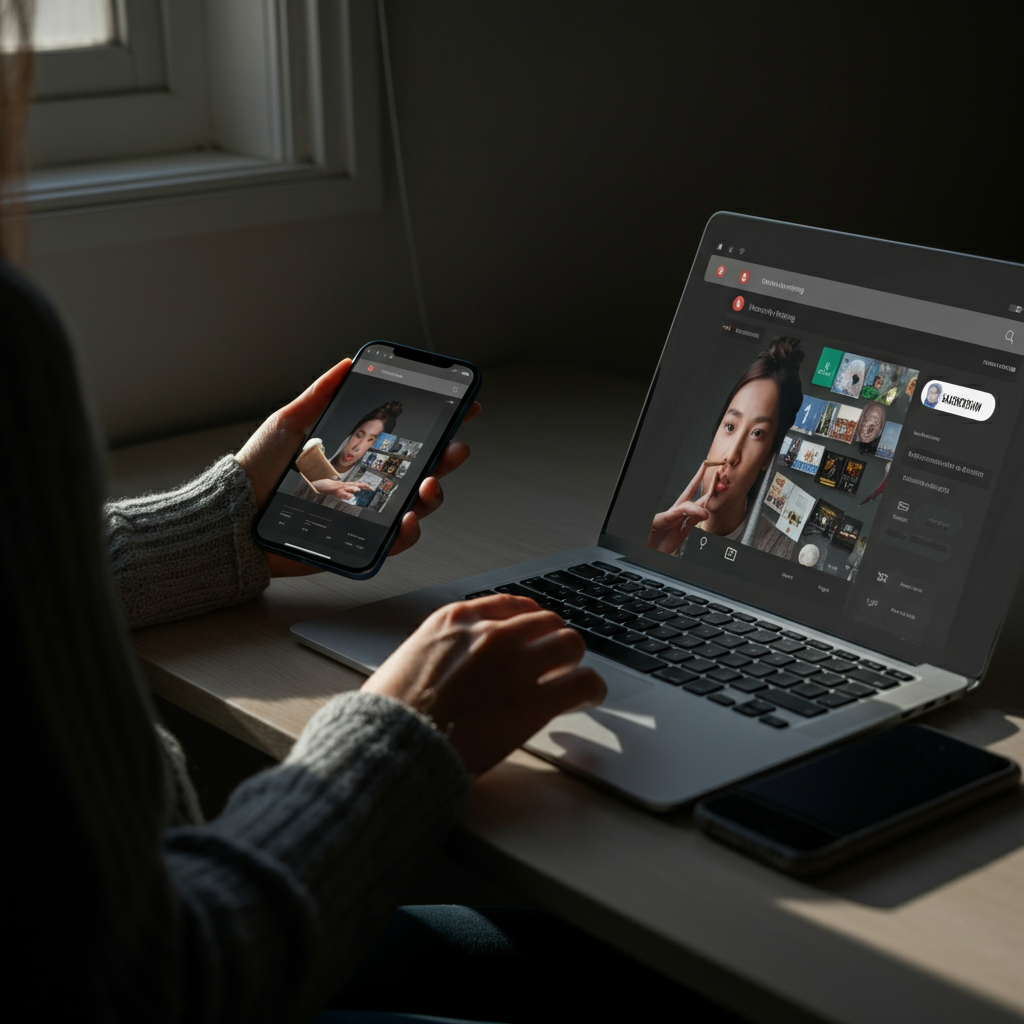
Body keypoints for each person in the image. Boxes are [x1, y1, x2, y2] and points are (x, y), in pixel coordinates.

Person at [648, 338, 804, 554]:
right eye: (730, 426)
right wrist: (654, 553)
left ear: (768, 456)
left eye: (757, 433)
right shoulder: (657, 524)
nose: (731, 456)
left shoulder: (780, 549)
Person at [292, 400, 405, 508]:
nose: (357, 447)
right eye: (359, 435)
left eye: (371, 440)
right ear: (352, 434)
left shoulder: (361, 489)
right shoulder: (314, 462)